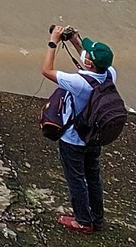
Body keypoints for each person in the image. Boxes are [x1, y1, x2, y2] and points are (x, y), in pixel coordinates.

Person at [41, 25, 117, 233]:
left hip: (74, 140)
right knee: (93, 176)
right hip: (94, 136)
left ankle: (83, 221)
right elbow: (89, 59)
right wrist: (75, 39)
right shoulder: (110, 74)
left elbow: (46, 70)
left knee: (76, 179)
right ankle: (97, 219)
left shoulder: (79, 82)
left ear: (90, 63)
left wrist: (53, 41)